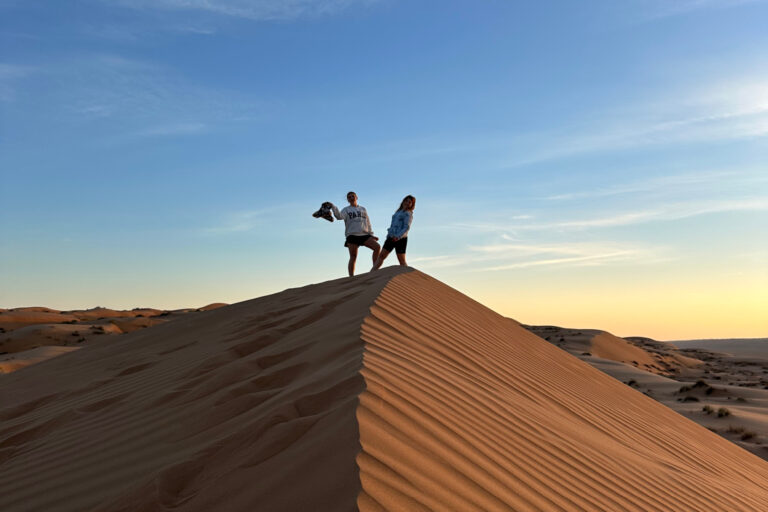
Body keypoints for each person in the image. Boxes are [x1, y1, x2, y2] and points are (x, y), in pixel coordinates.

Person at [331, 191, 381, 277]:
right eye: (349, 197)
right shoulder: (346, 210)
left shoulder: (363, 209)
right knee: (353, 256)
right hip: (352, 235)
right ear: (347, 200)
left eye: (352, 196)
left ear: (356, 197)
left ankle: (375, 270)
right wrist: (333, 207)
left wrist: (371, 234)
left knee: (377, 247)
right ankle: (351, 277)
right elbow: (339, 216)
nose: (351, 198)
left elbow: (368, 222)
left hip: (364, 234)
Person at [373, 195, 415, 270]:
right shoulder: (398, 212)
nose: (407, 203)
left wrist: (398, 237)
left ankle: (406, 276)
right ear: (403, 201)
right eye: (406, 201)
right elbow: (392, 225)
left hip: (401, 239)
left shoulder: (408, 214)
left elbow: (406, 227)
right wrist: (389, 235)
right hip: (391, 237)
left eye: (410, 202)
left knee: (401, 260)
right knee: (381, 256)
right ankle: (372, 273)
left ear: (412, 205)